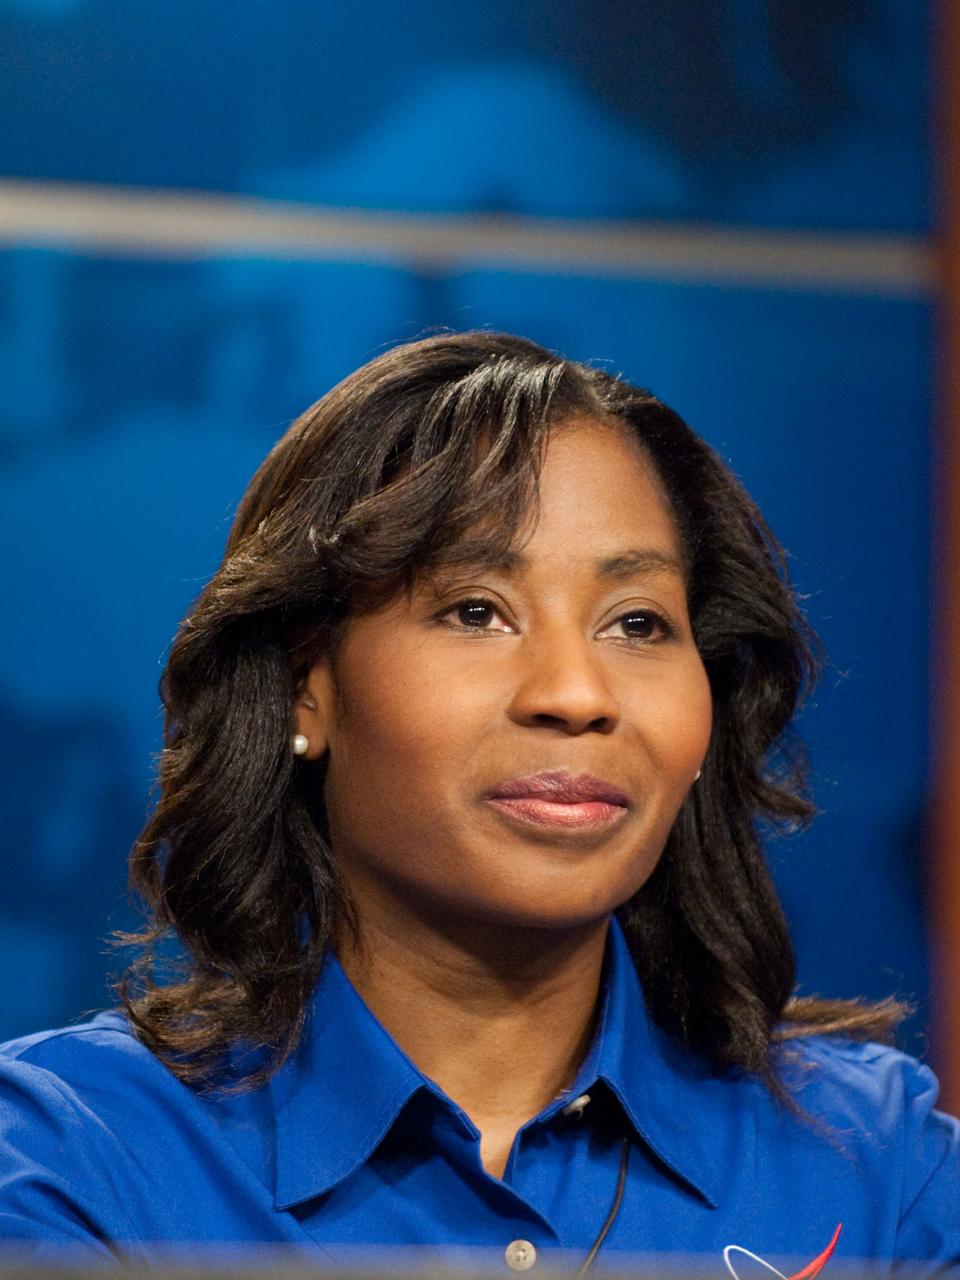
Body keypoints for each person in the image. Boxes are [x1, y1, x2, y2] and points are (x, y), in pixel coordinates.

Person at [0, 331, 957, 1275]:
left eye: (637, 623)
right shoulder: (75, 1160)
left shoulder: (883, 1171)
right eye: (475, 611)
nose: (577, 694)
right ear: (306, 686)